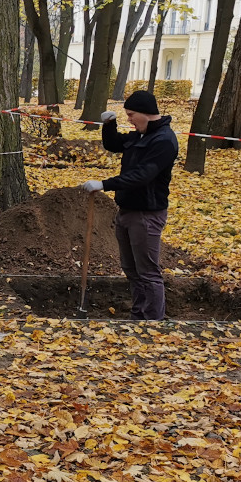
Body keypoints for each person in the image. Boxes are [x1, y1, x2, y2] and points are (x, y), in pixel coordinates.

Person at [79, 88, 178, 320]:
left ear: (146, 113)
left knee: (148, 272)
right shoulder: (140, 135)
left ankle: (152, 322)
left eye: (132, 115)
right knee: (131, 269)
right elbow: (114, 144)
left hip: (146, 214)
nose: (130, 120)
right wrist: (109, 124)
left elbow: (143, 175)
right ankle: (138, 316)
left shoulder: (163, 140)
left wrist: (104, 184)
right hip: (127, 210)